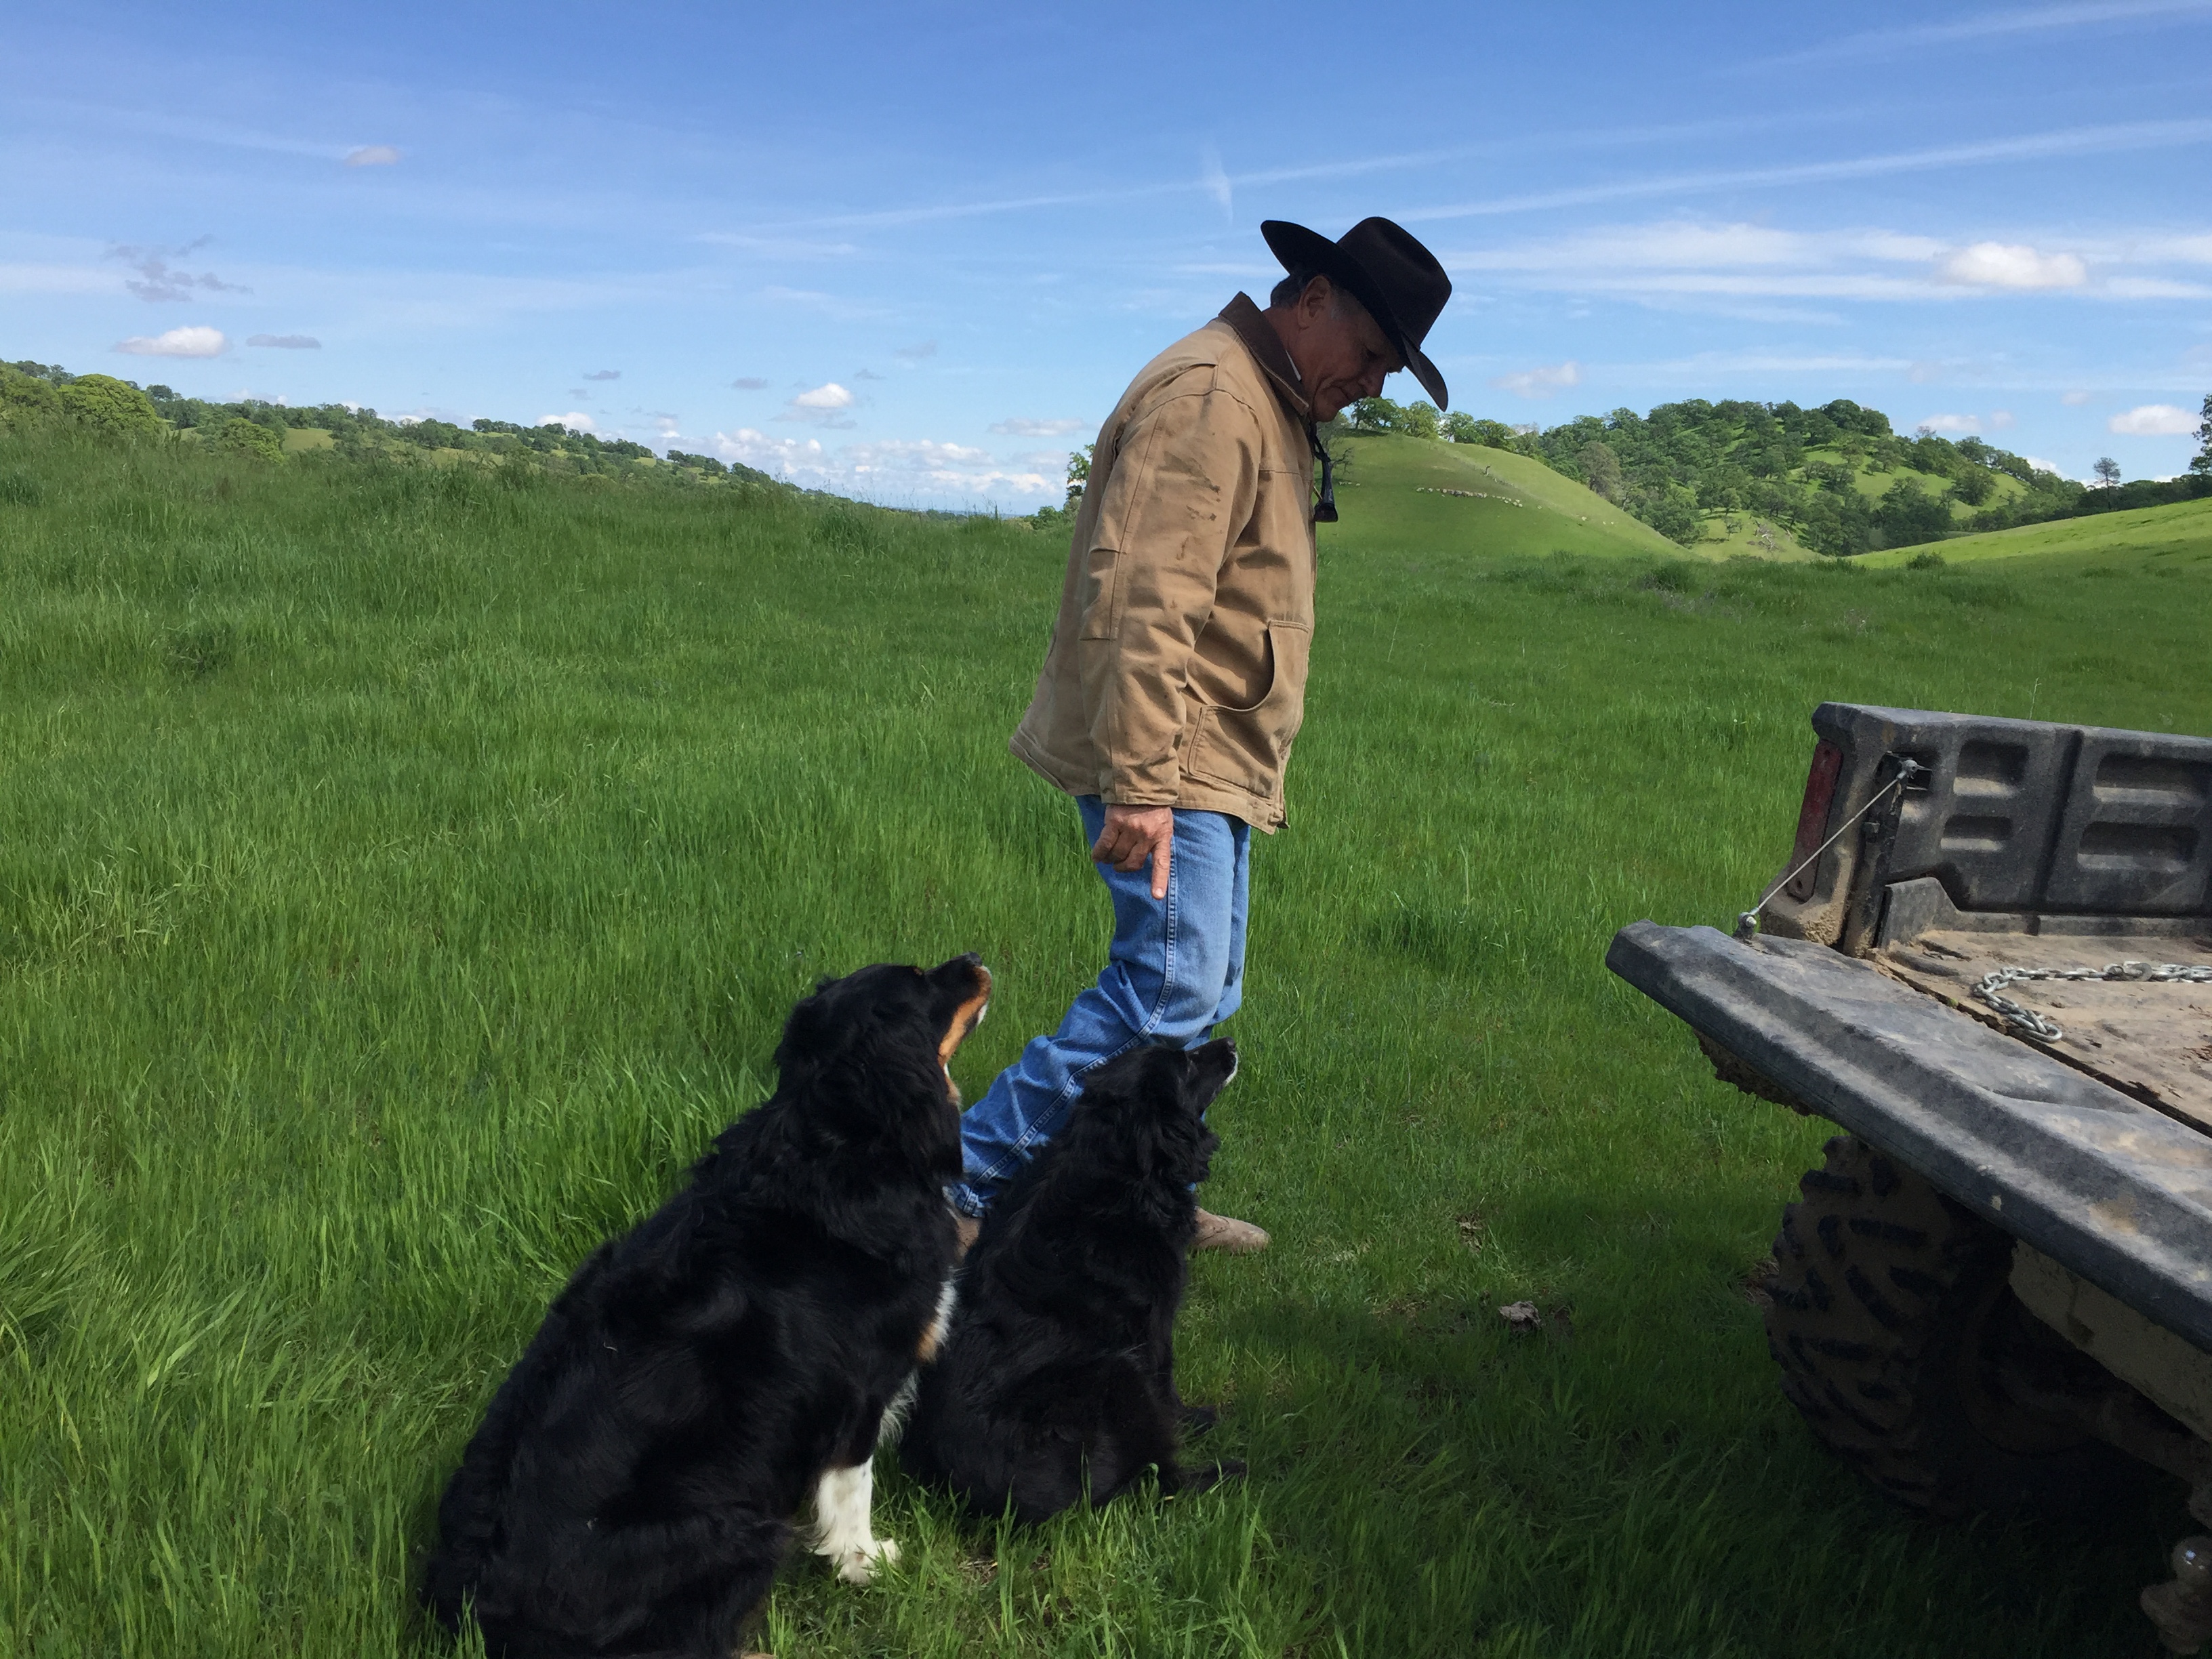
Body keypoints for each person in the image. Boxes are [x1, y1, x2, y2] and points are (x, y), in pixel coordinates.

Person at [951, 217, 1454, 1252]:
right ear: (1311, 300)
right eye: (1370, 354)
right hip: (1170, 755)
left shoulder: (1264, 400)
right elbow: (1143, 597)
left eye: (1391, 369)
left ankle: (1144, 1193)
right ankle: (960, 1190)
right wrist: (1140, 779)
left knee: (1202, 989)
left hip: (1208, 753)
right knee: (1167, 986)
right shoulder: (1215, 399)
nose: (1373, 383)